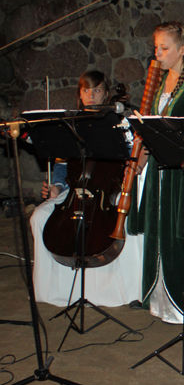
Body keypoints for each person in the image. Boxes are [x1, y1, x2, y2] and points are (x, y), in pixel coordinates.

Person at [30, 70, 143, 307]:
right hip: (75, 191)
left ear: (106, 93)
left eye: (97, 90)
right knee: (38, 217)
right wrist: (57, 187)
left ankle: (126, 291)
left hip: (107, 193)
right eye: (86, 90)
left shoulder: (117, 124)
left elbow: (131, 158)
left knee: (123, 223)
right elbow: (63, 165)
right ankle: (55, 291)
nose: (91, 95)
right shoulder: (70, 126)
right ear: (79, 95)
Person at [130, 21, 184, 325]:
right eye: (156, 47)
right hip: (159, 169)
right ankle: (162, 301)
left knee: (181, 235)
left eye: (164, 48)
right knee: (159, 231)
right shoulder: (158, 84)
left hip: (183, 172)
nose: (158, 53)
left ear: (183, 50)